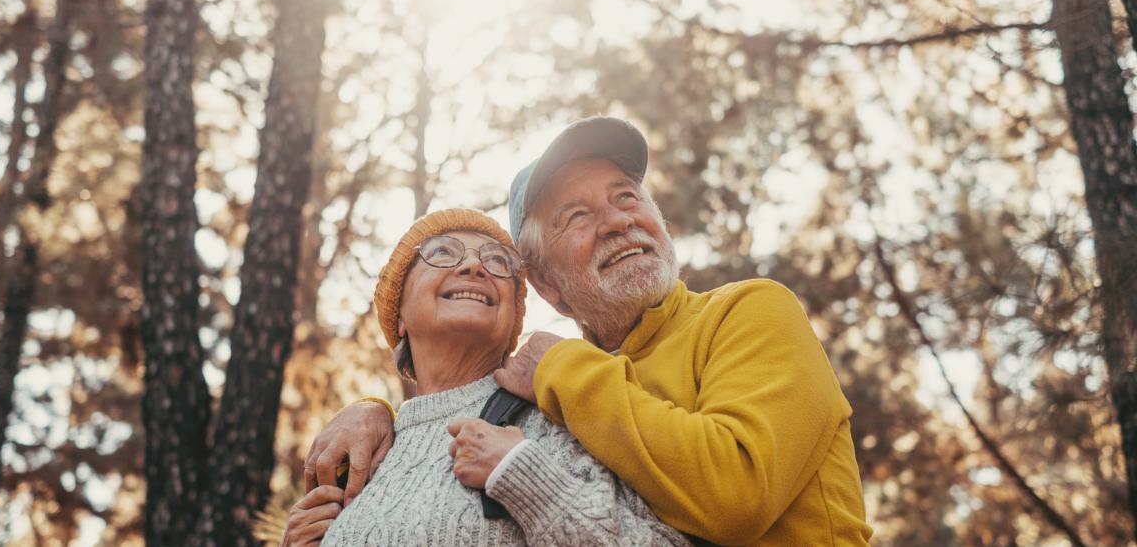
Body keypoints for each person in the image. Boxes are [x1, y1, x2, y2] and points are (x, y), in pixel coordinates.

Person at [306, 117, 874, 545]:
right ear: (549, 286)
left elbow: (737, 496)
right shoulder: (551, 402)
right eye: (576, 216)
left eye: (626, 197)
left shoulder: (749, 312)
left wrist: (559, 368)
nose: (618, 220)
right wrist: (377, 412)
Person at [283, 208, 688, 546]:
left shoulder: (555, 420)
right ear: (399, 313)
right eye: (442, 252)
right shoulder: (364, 457)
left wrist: (528, 478)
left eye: (498, 262)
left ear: (513, 316)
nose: (475, 266)